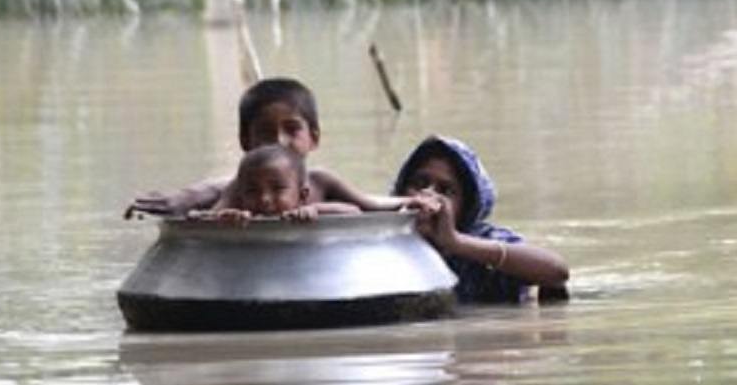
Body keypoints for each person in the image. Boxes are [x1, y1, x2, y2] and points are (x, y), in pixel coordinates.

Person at [125, 77, 419, 218]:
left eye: (292, 130)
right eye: (265, 132)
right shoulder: (239, 187)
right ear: (245, 141)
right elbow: (207, 218)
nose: (279, 141)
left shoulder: (322, 181)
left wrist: (414, 201)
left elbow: (366, 207)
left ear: (314, 137)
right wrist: (227, 218)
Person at [392, 135, 569, 303]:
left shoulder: (481, 241)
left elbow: (557, 272)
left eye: (445, 191)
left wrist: (455, 242)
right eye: (418, 184)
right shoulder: (388, 241)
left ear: (466, 207)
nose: (427, 195)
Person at [187, 144, 360, 223]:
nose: (264, 199)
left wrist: (316, 210)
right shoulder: (243, 218)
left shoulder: (304, 214)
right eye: (252, 191)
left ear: (302, 195)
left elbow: (354, 212)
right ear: (241, 196)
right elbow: (202, 218)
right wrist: (225, 219)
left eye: (278, 189)